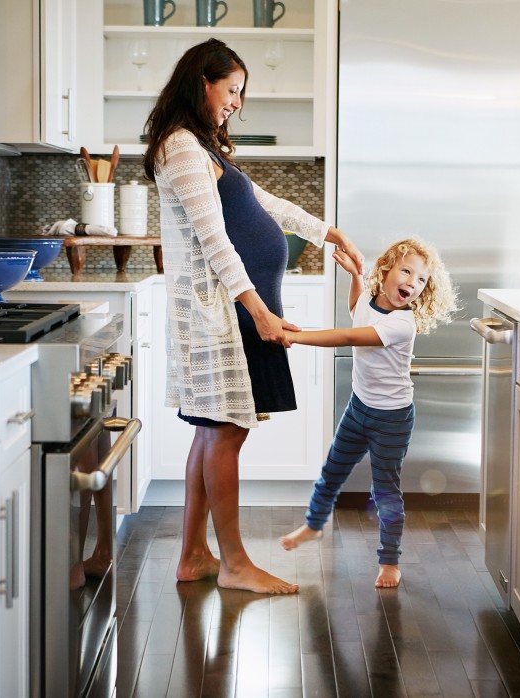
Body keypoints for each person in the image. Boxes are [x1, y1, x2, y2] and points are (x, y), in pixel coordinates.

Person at [142, 38, 364, 595]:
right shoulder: (182, 148)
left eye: (242, 92)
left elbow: (261, 204)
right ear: (203, 84)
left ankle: (195, 555)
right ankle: (236, 563)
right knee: (225, 432)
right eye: (233, 89)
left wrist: (326, 230)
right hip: (227, 316)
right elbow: (214, 241)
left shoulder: (201, 146)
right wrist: (260, 311)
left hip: (236, 312)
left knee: (213, 432)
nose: (238, 102)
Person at [279, 238, 458, 588]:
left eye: (421, 280)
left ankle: (389, 561)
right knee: (332, 472)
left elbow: (348, 336)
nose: (412, 282)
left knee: (385, 491)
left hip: (392, 418)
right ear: (387, 269)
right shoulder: (372, 302)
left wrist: (297, 337)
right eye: (406, 271)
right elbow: (356, 310)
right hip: (359, 408)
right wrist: (355, 277)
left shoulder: (403, 324)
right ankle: (314, 526)